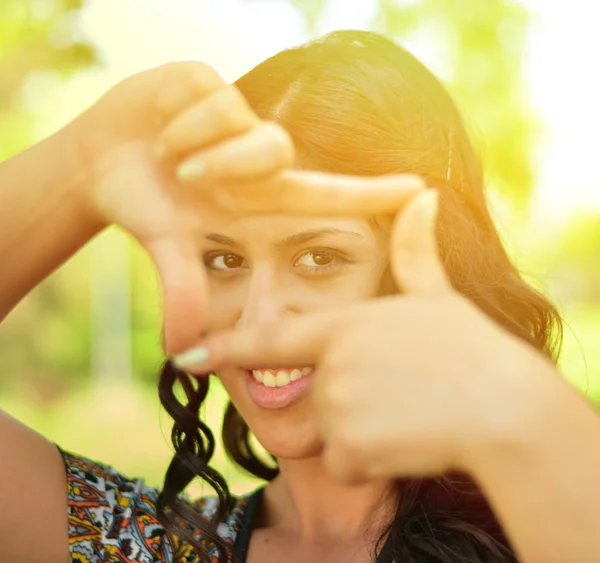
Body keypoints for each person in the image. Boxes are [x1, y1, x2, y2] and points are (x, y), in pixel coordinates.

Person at [0, 29, 598, 563]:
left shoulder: (544, 534)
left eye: (319, 258)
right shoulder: (155, 547)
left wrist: (524, 411)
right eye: (225, 260)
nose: (258, 319)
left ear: (432, 266)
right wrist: (82, 162)